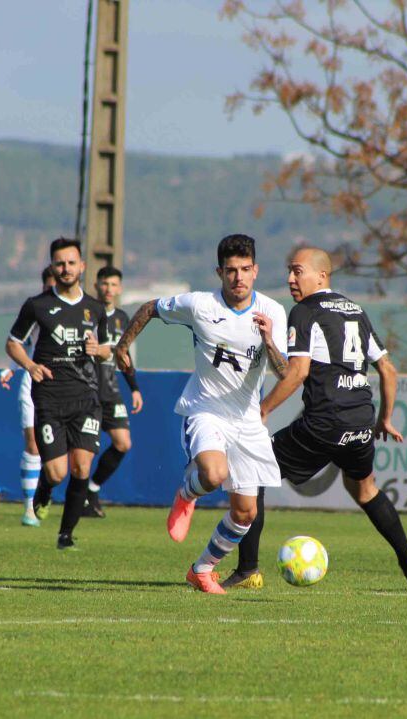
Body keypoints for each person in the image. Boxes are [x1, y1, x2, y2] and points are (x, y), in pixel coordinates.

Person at [224, 246, 407, 592]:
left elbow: (297, 373)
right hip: (360, 422)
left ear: (321, 276)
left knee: (252, 471)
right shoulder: (355, 310)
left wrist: (262, 411)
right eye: (289, 271)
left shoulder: (305, 311)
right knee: (364, 489)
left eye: (298, 271)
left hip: (324, 422)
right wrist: (385, 419)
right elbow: (388, 369)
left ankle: (248, 569)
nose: (291, 279)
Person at [114, 234, 288, 594]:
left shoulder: (272, 311)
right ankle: (187, 493)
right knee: (213, 473)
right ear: (219, 272)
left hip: (247, 419)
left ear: (255, 271)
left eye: (244, 270)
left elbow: (285, 372)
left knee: (246, 513)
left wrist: (269, 340)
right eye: (230, 271)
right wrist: (122, 346)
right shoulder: (199, 305)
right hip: (205, 409)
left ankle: (202, 570)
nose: (238, 277)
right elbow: (150, 308)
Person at [6, 238, 110, 550]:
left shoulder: (94, 308)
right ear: (53, 266)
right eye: (60, 263)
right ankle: (45, 488)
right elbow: (12, 343)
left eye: (71, 263)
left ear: (82, 266)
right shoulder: (36, 305)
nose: (65, 269)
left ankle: (65, 535)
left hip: (86, 398)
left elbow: (106, 351)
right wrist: (29, 364)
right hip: (50, 398)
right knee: (57, 471)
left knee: (81, 468)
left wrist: (99, 349)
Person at [83, 266, 144, 518]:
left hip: (111, 388)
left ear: (119, 289)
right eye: (104, 284)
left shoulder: (121, 317)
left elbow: (124, 354)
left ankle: (91, 489)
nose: (109, 289)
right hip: (86, 389)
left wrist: (135, 388)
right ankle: (80, 500)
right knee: (85, 449)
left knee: (122, 443)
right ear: (96, 285)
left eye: (113, 285)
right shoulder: (85, 313)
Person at [0, 266, 56, 527]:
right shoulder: (36, 310)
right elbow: (20, 344)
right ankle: (29, 509)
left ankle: (45, 490)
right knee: (32, 443)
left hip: (64, 387)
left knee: (57, 453)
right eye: (48, 285)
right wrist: (11, 369)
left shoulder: (77, 313)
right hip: (32, 382)